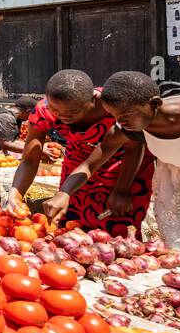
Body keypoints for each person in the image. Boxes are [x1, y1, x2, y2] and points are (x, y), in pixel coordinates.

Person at [51, 72, 180, 255]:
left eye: (125, 115)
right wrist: (64, 192)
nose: (120, 122)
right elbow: (89, 165)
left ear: (155, 104)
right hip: (174, 186)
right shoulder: (129, 128)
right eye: (114, 116)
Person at [10, 69, 152, 234]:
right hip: (77, 168)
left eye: (72, 112)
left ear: (93, 99)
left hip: (125, 168)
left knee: (118, 229)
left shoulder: (115, 105)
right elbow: (30, 159)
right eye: (56, 111)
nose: (63, 117)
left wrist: (121, 190)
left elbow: (135, 148)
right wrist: (15, 194)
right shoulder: (44, 110)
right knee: (71, 226)